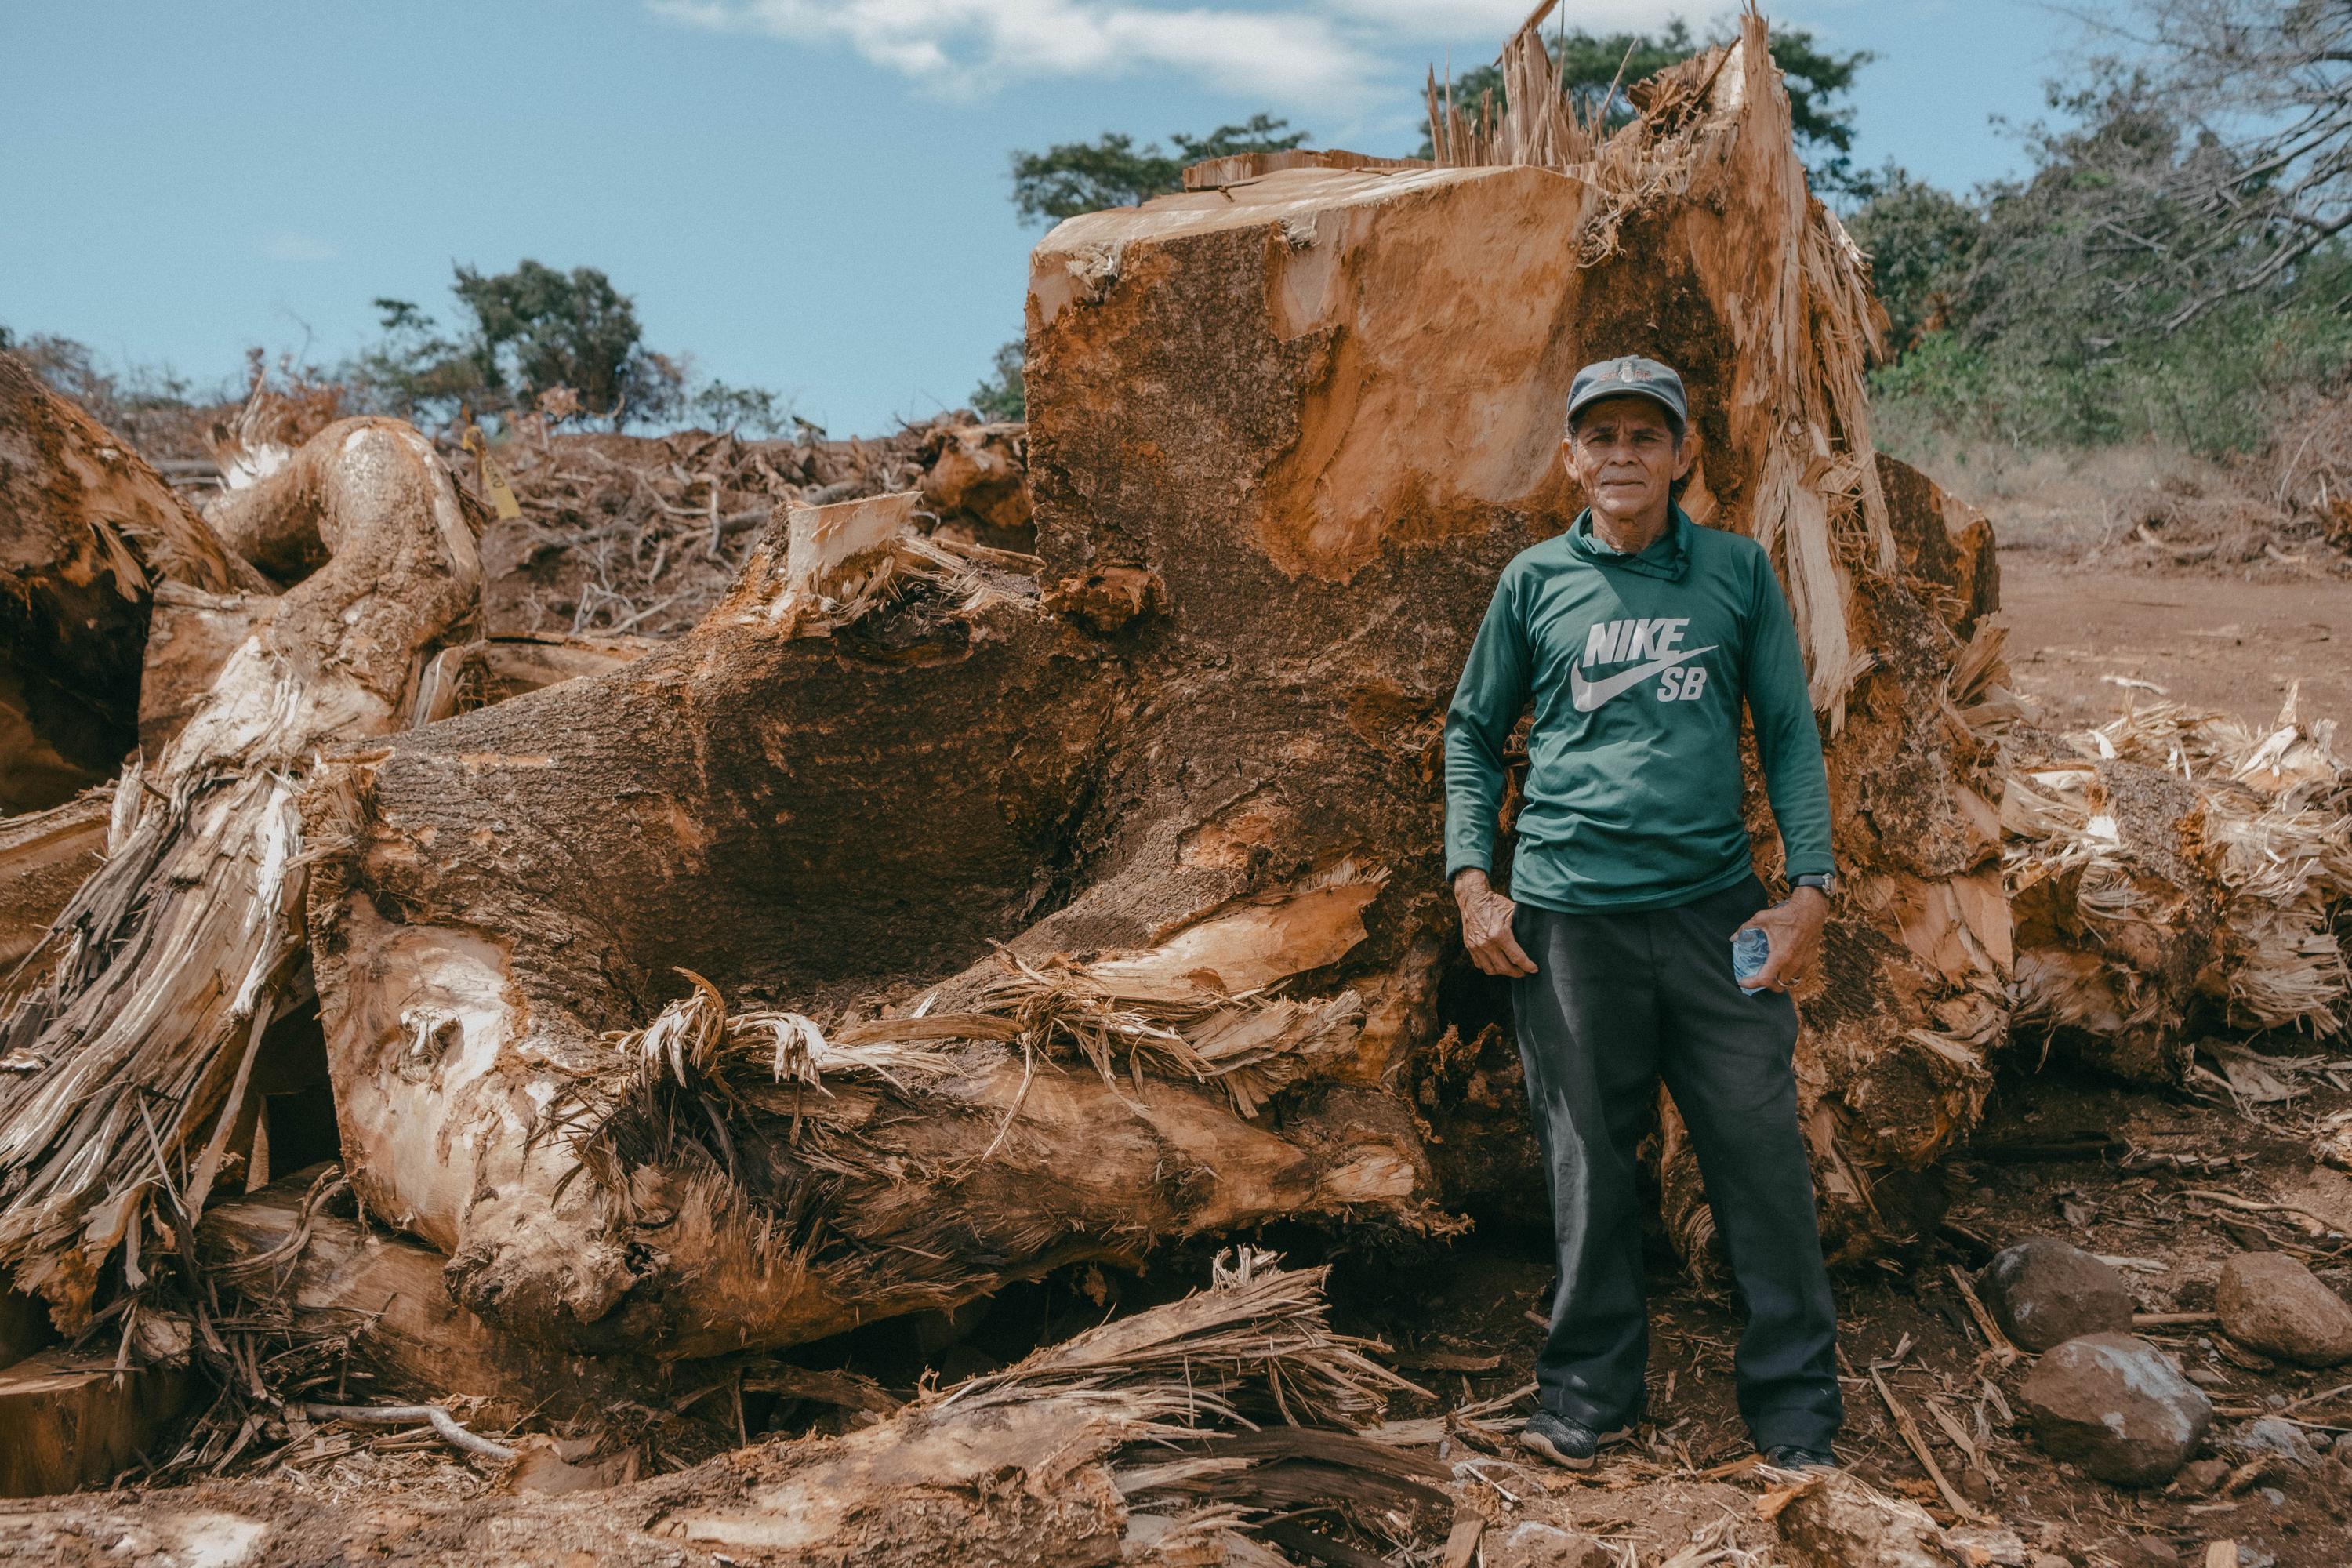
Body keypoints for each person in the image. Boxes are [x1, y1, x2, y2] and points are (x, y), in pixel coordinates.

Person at [1442, 355, 1842, 1472]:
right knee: (1588, 1169)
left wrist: (1809, 891)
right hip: (1569, 925)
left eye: (1644, 435)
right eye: (1599, 435)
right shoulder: (1533, 582)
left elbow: (1789, 730)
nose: (1621, 454)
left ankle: (1796, 1409)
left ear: (1681, 456)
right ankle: (1587, 1393)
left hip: (1718, 917)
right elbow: (1473, 736)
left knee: (1759, 1158)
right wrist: (1474, 881)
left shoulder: (1735, 571)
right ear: (1571, 457)